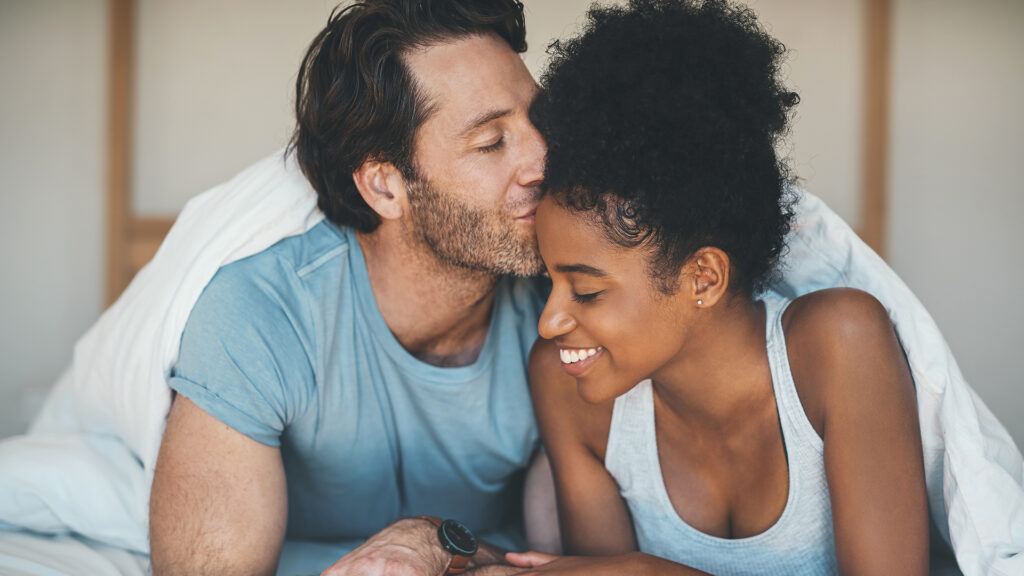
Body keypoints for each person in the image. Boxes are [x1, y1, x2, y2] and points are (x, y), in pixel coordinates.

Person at [507, 0, 930, 574]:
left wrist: (648, 570)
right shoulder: (565, 386)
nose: (548, 322)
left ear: (702, 277)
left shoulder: (837, 347)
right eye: (548, 279)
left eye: (585, 291)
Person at [148, 1, 550, 574]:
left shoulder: (565, 313)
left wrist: (436, 540)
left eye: (542, 122)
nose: (543, 160)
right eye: (491, 143)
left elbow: (572, 562)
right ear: (385, 187)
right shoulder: (263, 314)